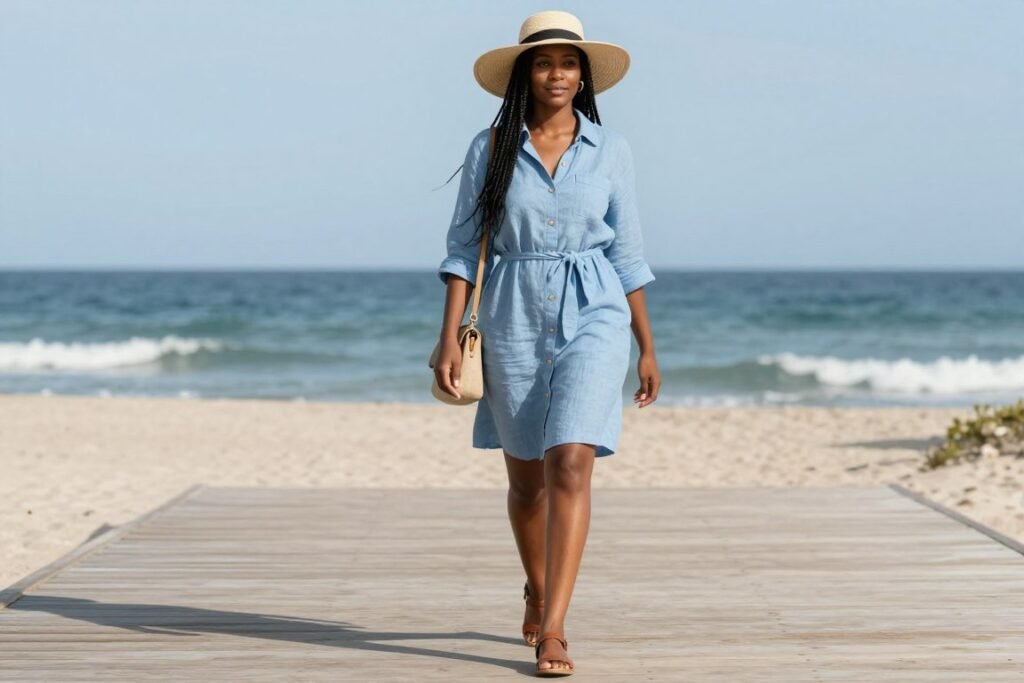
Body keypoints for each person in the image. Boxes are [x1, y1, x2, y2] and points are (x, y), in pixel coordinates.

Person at [434, 10, 660, 677]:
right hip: (510, 311)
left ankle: (554, 626)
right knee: (527, 479)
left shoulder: (611, 150)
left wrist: (647, 345)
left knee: (570, 462)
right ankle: (535, 585)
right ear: (525, 73)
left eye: (569, 62)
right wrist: (447, 337)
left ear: (583, 74)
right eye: (544, 61)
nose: (557, 73)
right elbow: (460, 247)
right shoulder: (491, 147)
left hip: (596, 308)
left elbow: (629, 252)